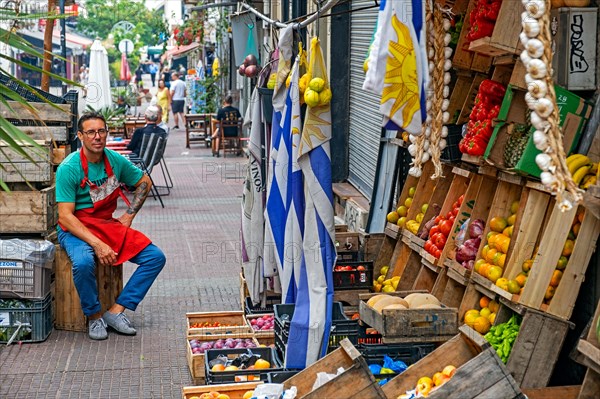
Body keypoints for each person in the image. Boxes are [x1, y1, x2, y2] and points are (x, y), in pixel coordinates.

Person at [56, 112, 166, 341]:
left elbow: (144, 182)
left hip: (106, 224)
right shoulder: (69, 167)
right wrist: (97, 245)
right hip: (75, 227)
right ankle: (94, 316)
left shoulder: (115, 160)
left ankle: (116, 312)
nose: (97, 137)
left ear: (106, 133)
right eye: (91, 132)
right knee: (84, 261)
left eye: (101, 131)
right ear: (80, 136)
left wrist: (128, 216)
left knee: (155, 257)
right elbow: (65, 217)